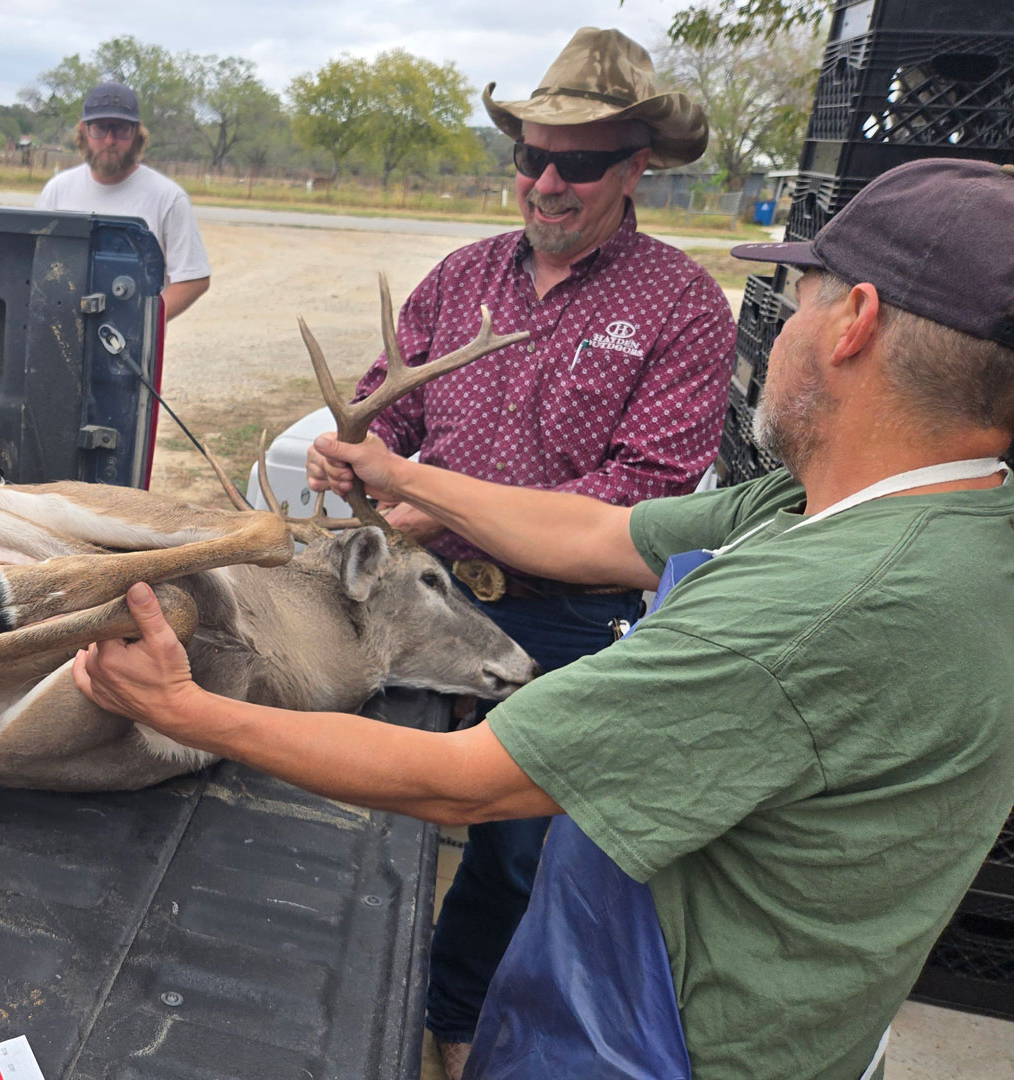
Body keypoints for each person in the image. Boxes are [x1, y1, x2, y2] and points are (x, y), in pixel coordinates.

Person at [71, 156, 1014, 1080]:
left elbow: (459, 783)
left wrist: (189, 710)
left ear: (854, 322)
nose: (779, 327)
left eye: (800, 296)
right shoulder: (896, 510)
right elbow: (604, 535)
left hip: (666, 1044)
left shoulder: (818, 609)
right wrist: (403, 474)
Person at [327, 28, 733, 1074]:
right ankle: (340, 996)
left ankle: (452, 1027)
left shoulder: (681, 308)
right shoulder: (462, 276)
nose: (546, 182)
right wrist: (356, 451)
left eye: (580, 163)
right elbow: (393, 412)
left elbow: (634, 502)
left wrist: (431, 506)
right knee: (359, 795)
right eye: (530, 157)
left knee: (513, 851)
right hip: (418, 592)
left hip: (563, 611)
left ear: (636, 166)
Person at [35, 81, 211, 321]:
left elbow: (193, 278)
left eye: (120, 129)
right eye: (99, 128)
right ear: (84, 132)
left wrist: (144, 322)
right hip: (65, 333)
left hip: (130, 351)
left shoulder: (168, 197)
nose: (109, 140)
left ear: (137, 133)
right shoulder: (57, 190)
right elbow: (39, 265)